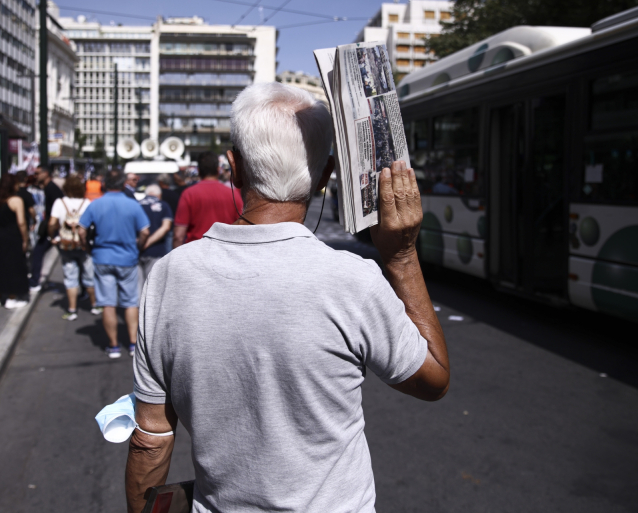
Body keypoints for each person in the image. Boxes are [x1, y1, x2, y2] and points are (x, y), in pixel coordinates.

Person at [125, 83, 450, 513]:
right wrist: (403, 255)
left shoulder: (168, 276)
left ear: (234, 167)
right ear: (325, 176)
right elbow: (433, 379)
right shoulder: (352, 279)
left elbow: (151, 438)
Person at [77, 170, 149, 359]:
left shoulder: (96, 204)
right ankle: (133, 343)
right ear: (122, 183)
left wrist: (86, 247)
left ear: (105, 184)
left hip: (102, 256)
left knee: (108, 303)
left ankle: (113, 345)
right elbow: (145, 231)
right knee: (131, 301)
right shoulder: (132, 205)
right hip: (127, 257)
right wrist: (138, 247)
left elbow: (81, 229)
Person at [48, 174, 100, 320]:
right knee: (89, 275)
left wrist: (53, 237)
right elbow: (93, 225)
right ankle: (94, 305)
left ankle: (72, 309)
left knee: (70, 277)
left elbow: (52, 223)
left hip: (66, 244)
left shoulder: (60, 202)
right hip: (84, 245)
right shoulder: (87, 203)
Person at [172, 151, 243, 248]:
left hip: (195, 253)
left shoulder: (188, 194)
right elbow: (241, 228)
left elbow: (178, 236)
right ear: (218, 170)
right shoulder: (233, 194)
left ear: (199, 170)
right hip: (225, 253)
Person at [0, 174, 29, 309]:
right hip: (13, 236)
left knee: (1, 266)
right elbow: (21, 222)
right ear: (12, 185)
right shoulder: (17, 200)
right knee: (14, 266)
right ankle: (12, 297)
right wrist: (25, 239)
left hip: (0, 235)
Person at [29, 165, 64, 292]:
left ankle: (34, 281)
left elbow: (58, 210)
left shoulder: (52, 189)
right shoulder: (48, 188)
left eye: (38, 173)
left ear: (46, 173)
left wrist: (53, 230)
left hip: (53, 228)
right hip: (53, 228)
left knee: (39, 252)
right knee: (66, 257)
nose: (36, 176)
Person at [137, 184, 172, 284]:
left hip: (137, 250)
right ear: (159, 195)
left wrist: (141, 243)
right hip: (156, 251)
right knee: (152, 287)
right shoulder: (163, 205)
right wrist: (148, 242)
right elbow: (166, 227)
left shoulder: (137, 204)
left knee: (138, 289)